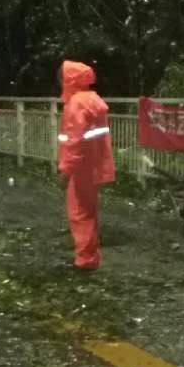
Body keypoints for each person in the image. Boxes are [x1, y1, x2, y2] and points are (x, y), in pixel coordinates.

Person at [56, 60, 114, 270]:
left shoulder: (76, 104)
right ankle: (89, 256)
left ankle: (85, 259)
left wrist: (65, 170)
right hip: (94, 165)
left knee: (79, 214)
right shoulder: (93, 100)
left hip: (80, 168)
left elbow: (74, 141)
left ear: (70, 79)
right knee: (89, 213)